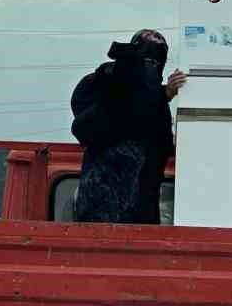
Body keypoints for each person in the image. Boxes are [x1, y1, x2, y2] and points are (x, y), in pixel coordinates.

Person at [70, 30, 187, 224]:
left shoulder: (150, 103)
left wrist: (163, 95)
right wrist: (163, 94)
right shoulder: (110, 81)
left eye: (155, 63)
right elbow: (132, 105)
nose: (150, 67)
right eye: (147, 61)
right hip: (111, 214)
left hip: (132, 215)